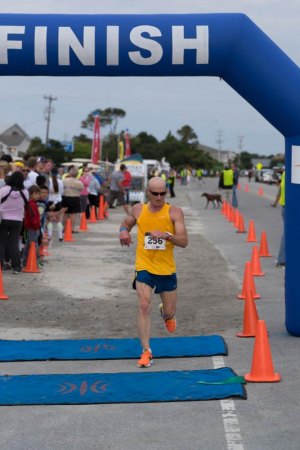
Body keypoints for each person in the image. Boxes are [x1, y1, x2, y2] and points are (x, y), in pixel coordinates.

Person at [119, 176, 188, 368]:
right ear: (148, 192)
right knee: (143, 304)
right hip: (144, 265)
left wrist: (168, 235)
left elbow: (184, 241)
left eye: (162, 193)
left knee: (169, 311)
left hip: (166, 268)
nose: (159, 197)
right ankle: (146, 351)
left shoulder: (174, 212)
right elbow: (126, 223)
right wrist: (123, 232)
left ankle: (166, 315)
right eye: (155, 193)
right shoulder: (138, 209)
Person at [0, 171, 29, 273]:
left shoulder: (4, 190)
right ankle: (16, 266)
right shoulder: (25, 192)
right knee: (14, 242)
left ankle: (1, 264)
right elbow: (26, 205)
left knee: (1, 242)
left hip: (3, 218)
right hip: (17, 220)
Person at [22, 185, 41, 268]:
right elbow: (33, 217)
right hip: (33, 227)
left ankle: (25, 261)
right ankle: (34, 261)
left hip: (32, 227)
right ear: (30, 194)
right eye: (35, 194)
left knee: (29, 244)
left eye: (38, 194)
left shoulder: (32, 204)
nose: (37, 196)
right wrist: (37, 225)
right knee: (34, 244)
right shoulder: (32, 204)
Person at [271, 170, 285, 267]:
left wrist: (275, 202)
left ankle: (281, 259)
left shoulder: (286, 172)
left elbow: (280, 189)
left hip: (285, 206)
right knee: (288, 233)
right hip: (291, 207)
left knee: (287, 232)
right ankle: (282, 259)